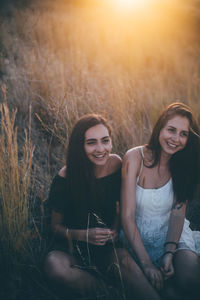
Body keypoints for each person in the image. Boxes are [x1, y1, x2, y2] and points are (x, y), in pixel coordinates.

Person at [121, 102, 200, 300]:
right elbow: (127, 216)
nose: (176, 139)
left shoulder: (184, 164)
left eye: (183, 134)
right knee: (169, 294)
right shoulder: (134, 158)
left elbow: (178, 212)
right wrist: (147, 264)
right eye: (171, 130)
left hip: (172, 233)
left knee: (190, 279)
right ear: (160, 128)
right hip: (137, 236)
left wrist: (169, 253)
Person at [44, 114, 123, 299]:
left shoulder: (117, 164)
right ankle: (107, 292)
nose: (100, 149)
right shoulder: (65, 177)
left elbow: (122, 204)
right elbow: (54, 227)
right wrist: (85, 235)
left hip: (107, 246)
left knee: (128, 265)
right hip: (71, 246)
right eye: (91, 143)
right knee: (54, 267)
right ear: (80, 146)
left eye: (105, 141)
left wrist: (116, 229)